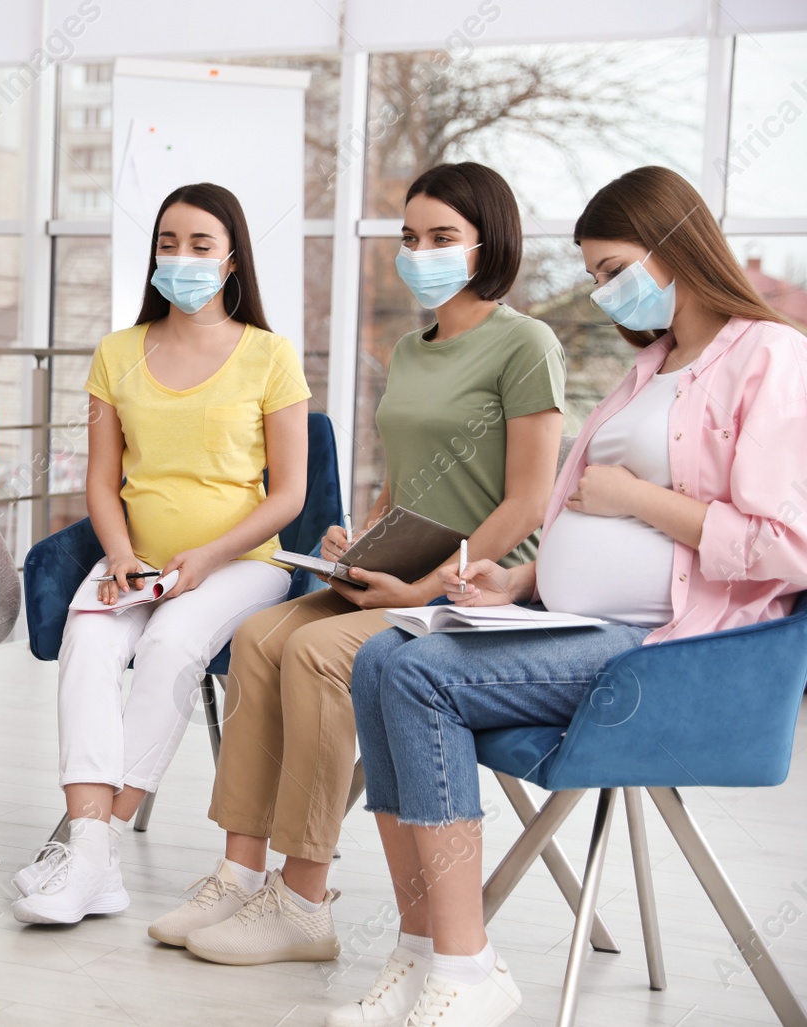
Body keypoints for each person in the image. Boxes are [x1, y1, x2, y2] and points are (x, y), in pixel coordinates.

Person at [329, 165, 807, 1027]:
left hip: (677, 651)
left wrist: (639, 501)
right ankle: (421, 948)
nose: (604, 292)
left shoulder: (771, 356)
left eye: (613, 267)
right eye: (592, 275)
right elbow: (584, 519)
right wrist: (519, 578)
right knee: (378, 658)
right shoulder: (652, 368)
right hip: (585, 621)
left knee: (421, 673)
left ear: (676, 247)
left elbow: (789, 546)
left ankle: (468, 966)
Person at [155, 163, 568, 966]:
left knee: (315, 652)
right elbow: (401, 482)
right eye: (410, 237)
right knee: (263, 633)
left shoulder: (527, 344)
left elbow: (526, 503)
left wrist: (418, 584)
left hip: (473, 593)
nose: (420, 252)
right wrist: (359, 537)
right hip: (397, 570)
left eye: (441, 237)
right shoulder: (411, 351)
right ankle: (241, 872)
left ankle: (305, 898)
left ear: (489, 243)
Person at [11, 183, 311, 926]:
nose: (180, 258)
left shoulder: (271, 355)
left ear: (232, 258)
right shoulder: (118, 353)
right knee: (87, 638)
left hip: (242, 563)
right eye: (167, 244)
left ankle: (95, 846)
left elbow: (290, 496)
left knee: (176, 640)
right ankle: (91, 855)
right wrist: (116, 555)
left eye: (200, 245)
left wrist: (208, 557)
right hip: (136, 561)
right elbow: (102, 480)